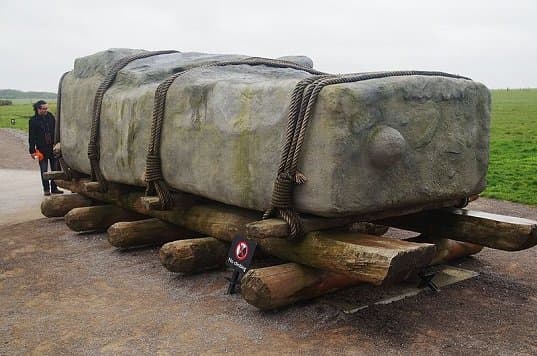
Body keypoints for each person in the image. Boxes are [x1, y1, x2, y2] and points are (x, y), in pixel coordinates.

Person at [29, 100, 63, 196]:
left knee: (55, 170)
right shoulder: (33, 121)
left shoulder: (50, 117)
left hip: (52, 148)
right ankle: (46, 189)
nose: (46, 110)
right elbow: (31, 137)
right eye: (44, 109)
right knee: (44, 171)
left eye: (46, 108)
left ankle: (54, 188)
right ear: (38, 109)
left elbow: (56, 130)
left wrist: (57, 143)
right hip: (41, 150)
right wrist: (32, 151)